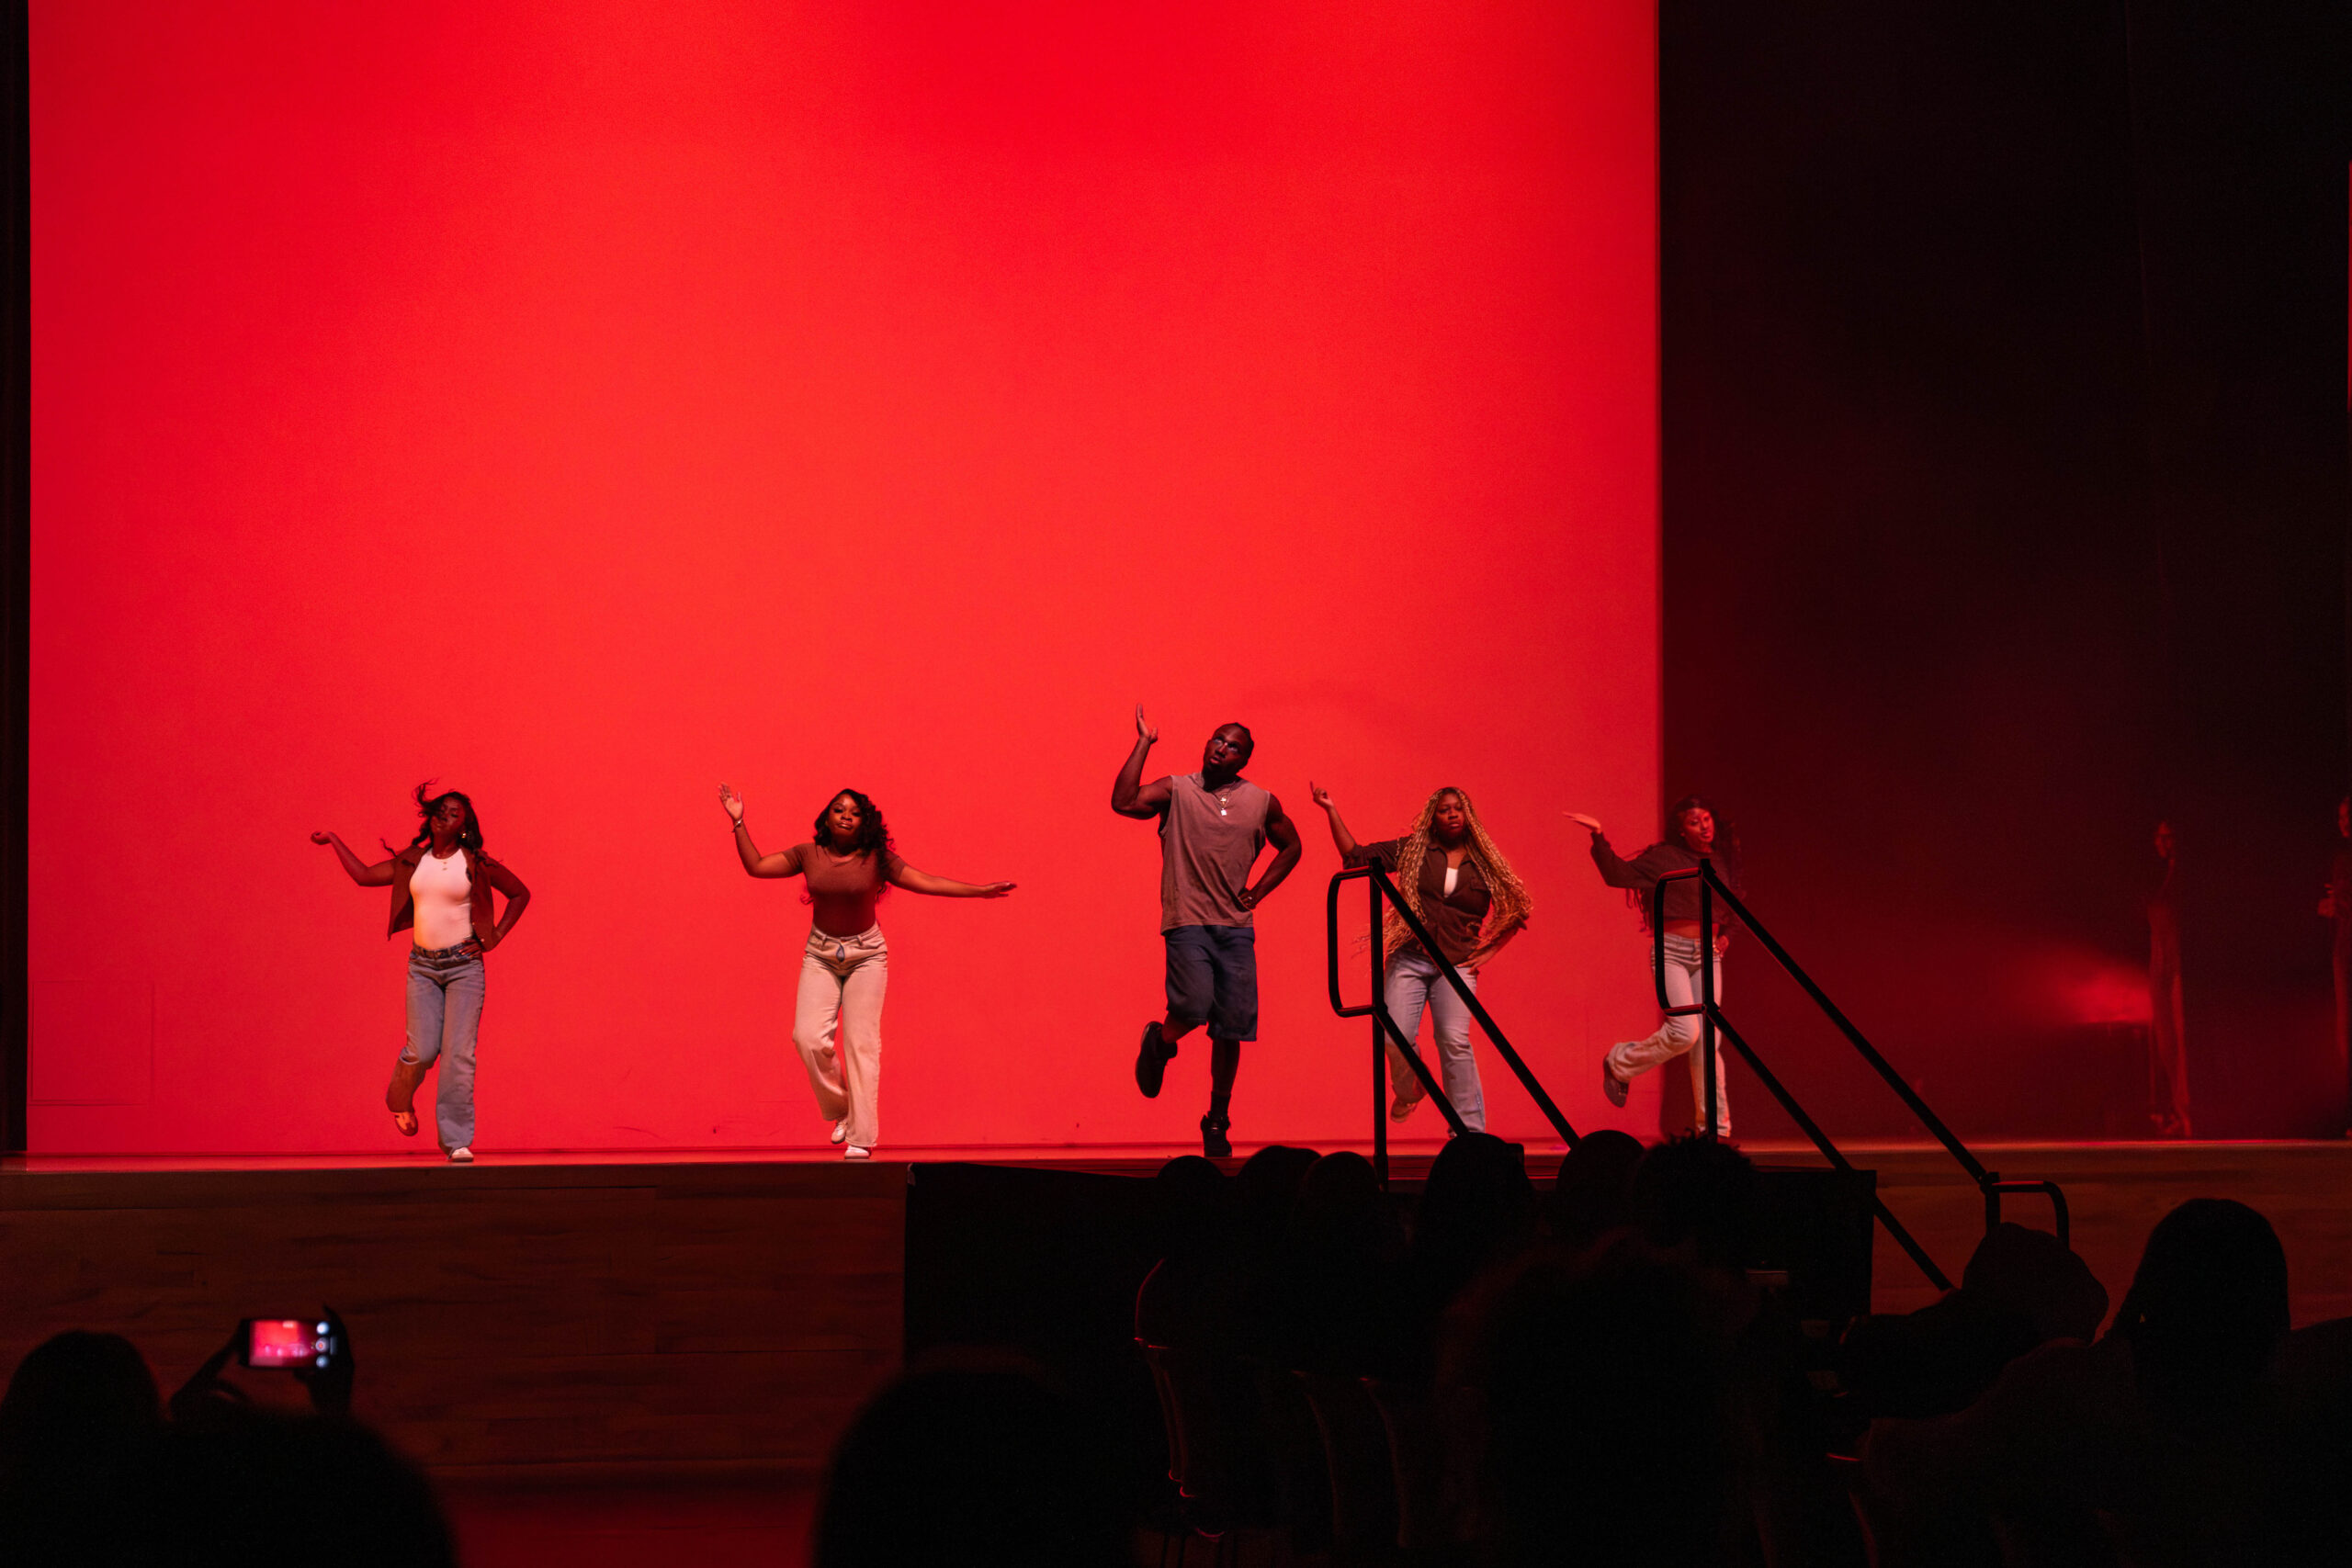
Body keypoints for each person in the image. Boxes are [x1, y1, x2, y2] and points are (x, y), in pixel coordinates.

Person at [719, 783, 1013, 1159]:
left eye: (855, 812)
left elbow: (926, 881)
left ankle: (861, 1138)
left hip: (867, 956)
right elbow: (757, 867)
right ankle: (842, 1109)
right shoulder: (807, 854)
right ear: (827, 817)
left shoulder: (878, 859)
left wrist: (979, 890)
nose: (846, 815)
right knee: (807, 1039)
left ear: (864, 823)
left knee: (861, 1045)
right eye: (839, 809)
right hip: (821, 954)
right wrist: (739, 821)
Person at [1113, 706, 1303, 1158]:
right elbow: (1123, 802)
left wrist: (1257, 892)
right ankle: (1160, 1042)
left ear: (1245, 760)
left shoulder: (1261, 801)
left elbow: (1293, 845)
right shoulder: (1178, 789)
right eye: (1217, 738)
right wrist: (1144, 743)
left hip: (1235, 928)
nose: (1221, 747)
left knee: (1231, 1030)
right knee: (1193, 1007)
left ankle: (1217, 1119)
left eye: (1233, 745)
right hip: (1187, 919)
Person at [312, 784, 530, 1164]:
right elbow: (363, 875)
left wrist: (492, 937)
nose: (446, 815)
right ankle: (398, 1099)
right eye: (441, 809)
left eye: (455, 813)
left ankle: (456, 1141)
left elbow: (520, 893)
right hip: (423, 967)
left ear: (464, 826)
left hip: (464, 969)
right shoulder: (413, 861)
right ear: (430, 816)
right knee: (421, 1051)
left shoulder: (475, 862)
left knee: (459, 1056)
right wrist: (333, 839)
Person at [1308, 784, 1533, 1130]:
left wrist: (1488, 951)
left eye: (1458, 808)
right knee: (1391, 1035)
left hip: (1456, 963)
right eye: (1444, 809)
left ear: (1468, 815)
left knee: (1454, 1042)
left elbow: (1517, 907)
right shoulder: (1414, 850)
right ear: (1433, 817)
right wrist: (1330, 809)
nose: (1452, 814)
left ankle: (1470, 1132)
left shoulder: (1485, 861)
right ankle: (1411, 1089)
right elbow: (1355, 856)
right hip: (1410, 957)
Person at [1566, 796, 1738, 1136]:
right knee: (1684, 1033)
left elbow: (1732, 901)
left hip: (1708, 955)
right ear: (1681, 830)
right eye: (1694, 821)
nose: (1704, 826)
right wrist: (1598, 835)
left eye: (1706, 818)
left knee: (1708, 1041)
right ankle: (1620, 1062)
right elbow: (1617, 875)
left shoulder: (1720, 860)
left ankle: (1715, 1129)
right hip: (1672, 952)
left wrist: (1727, 933)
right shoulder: (1666, 859)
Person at [2148, 819, 2191, 1137]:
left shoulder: (2184, 878)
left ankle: (2185, 1113)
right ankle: (2174, 1109)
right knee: (2166, 1040)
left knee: (2179, 1037)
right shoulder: (2161, 876)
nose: (2162, 843)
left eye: (2168, 837)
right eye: (2159, 837)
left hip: (2175, 958)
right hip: (2160, 958)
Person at [2322, 795, 2352, 1136]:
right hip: (2343, 952)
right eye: (2342, 816)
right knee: (2345, 1036)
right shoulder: (2340, 858)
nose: (2345, 822)